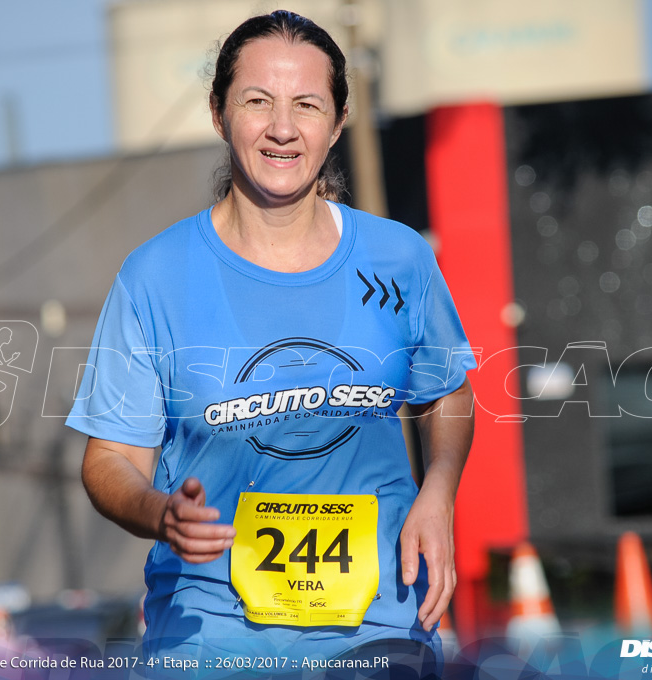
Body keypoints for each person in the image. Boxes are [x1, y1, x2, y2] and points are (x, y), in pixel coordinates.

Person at [66, 10, 476, 677]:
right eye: (257, 102)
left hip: (380, 630)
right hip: (211, 636)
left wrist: (439, 491)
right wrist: (159, 511)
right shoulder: (156, 276)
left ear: (339, 121)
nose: (282, 128)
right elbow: (109, 457)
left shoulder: (399, 257)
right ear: (219, 112)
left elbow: (448, 395)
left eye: (307, 105)